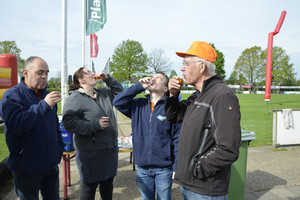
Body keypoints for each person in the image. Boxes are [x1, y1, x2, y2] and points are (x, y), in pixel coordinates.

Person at [164, 41, 241, 200]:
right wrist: (172, 95)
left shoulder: (222, 96)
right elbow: (174, 117)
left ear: (202, 66)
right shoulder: (198, 95)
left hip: (205, 190)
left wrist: (197, 168)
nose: (182, 68)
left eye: (186, 63)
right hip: (190, 186)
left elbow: (228, 149)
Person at [0, 56, 64, 200]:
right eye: (40, 72)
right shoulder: (12, 96)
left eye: (47, 73)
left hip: (50, 165)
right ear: (26, 73)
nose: (44, 76)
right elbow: (16, 125)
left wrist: (58, 151)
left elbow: (55, 127)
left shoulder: (47, 95)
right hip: (26, 168)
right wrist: (44, 105)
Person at [113, 72, 181, 200]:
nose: (153, 79)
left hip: (164, 168)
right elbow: (117, 102)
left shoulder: (171, 107)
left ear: (165, 88)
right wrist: (138, 86)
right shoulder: (138, 105)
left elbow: (177, 138)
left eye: (158, 78)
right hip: (142, 168)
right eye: (153, 77)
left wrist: (176, 166)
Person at [62, 67, 123, 200]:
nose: (93, 73)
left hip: (109, 148)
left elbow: (120, 92)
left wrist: (108, 79)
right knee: (89, 187)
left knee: (108, 184)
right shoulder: (75, 98)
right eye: (88, 72)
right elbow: (69, 122)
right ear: (81, 79)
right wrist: (95, 125)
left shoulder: (103, 93)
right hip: (90, 151)